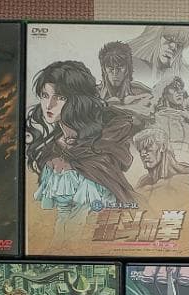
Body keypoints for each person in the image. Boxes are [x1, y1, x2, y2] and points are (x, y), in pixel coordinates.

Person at [26, 60, 136, 250]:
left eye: (60, 97)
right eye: (45, 95)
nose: (49, 105)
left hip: (100, 236)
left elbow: (86, 214)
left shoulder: (101, 142)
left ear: (77, 100)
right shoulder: (53, 148)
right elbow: (63, 214)